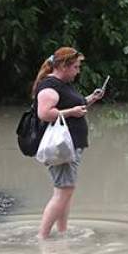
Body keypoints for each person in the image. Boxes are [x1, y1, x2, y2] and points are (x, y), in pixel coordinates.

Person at [33, 46, 104, 239]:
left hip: (69, 147)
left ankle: (62, 231)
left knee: (65, 191)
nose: (78, 71)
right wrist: (71, 112)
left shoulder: (63, 84)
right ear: (64, 66)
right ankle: (43, 238)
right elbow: (44, 113)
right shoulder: (50, 86)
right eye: (76, 67)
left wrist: (91, 98)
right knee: (64, 191)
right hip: (60, 148)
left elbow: (75, 106)